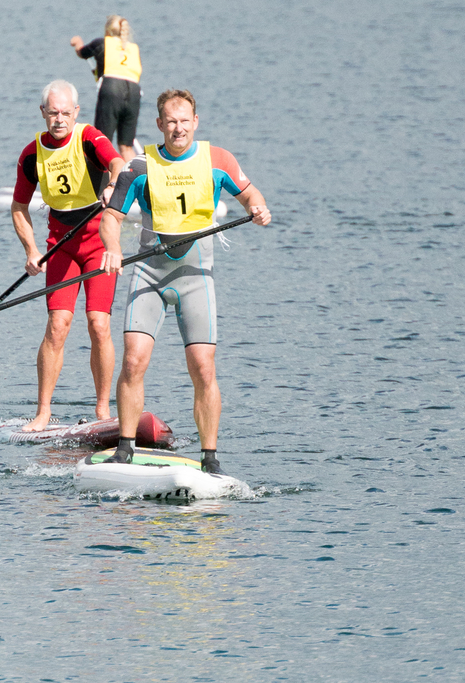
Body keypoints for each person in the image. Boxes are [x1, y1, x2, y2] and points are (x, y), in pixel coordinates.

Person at [98, 89, 271, 473]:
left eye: (185, 120)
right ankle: (125, 450)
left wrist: (258, 209)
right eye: (170, 121)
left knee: (203, 367)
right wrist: (111, 247)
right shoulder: (140, 167)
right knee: (133, 360)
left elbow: (250, 196)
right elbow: (110, 219)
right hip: (149, 274)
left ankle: (210, 459)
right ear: (159, 125)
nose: (178, 128)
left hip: (197, 277)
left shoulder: (218, 160)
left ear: (196, 121)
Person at [12, 80, 125, 431]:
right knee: (57, 327)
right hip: (61, 245)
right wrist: (31, 250)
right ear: (43, 113)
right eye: (53, 113)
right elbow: (18, 207)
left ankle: (103, 409)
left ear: (76, 112)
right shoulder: (32, 154)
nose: (59, 119)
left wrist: (110, 185)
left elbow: (119, 163)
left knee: (98, 323)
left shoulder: (89, 137)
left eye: (66, 113)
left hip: (98, 243)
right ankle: (43, 412)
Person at [70, 15, 142, 162]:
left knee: (101, 141)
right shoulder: (133, 49)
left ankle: (104, 181)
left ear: (107, 30)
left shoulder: (101, 43)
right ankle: (137, 180)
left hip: (112, 90)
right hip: (134, 92)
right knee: (126, 146)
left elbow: (82, 53)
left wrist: (78, 43)